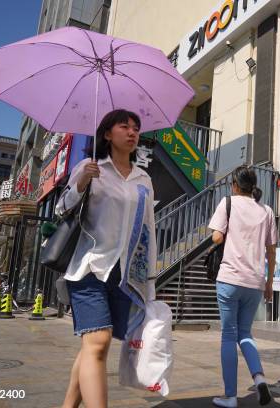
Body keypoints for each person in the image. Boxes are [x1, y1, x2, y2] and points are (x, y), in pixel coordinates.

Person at [57, 109, 157, 408]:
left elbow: (148, 229)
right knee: (98, 342)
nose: (132, 132)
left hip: (124, 274)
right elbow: (62, 208)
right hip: (89, 266)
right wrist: (82, 183)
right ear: (106, 134)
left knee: (92, 346)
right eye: (124, 126)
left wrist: (150, 277)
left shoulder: (144, 180)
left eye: (136, 128)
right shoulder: (90, 168)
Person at [208, 166, 277, 407]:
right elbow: (271, 250)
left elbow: (217, 237)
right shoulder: (267, 211)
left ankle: (230, 396)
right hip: (255, 282)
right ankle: (259, 379)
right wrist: (269, 283)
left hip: (230, 279)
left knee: (229, 336)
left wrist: (226, 236)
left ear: (235, 185)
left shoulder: (228, 203)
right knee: (245, 333)